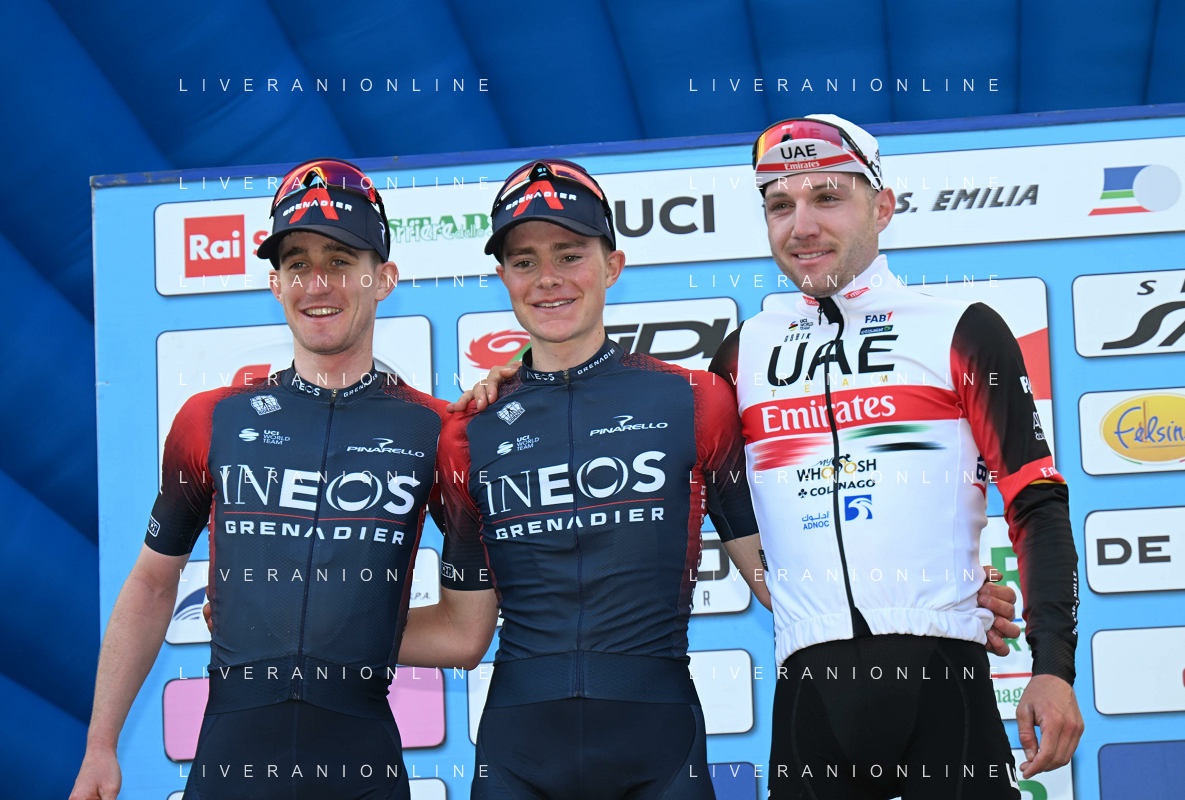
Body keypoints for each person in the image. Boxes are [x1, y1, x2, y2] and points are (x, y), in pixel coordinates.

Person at [414, 158, 1019, 800]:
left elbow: (777, 573)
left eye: (569, 254)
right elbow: (465, 630)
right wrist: (333, 631)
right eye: (525, 261)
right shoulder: (468, 432)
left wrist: (931, 597)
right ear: (503, 278)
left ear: (612, 266)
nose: (548, 278)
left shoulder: (695, 400)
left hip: (658, 752)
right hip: (518, 755)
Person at [707, 115, 1083, 798]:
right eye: (780, 206)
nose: (801, 226)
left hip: (944, 680)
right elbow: (723, 499)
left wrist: (1052, 667)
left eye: (827, 197)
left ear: (881, 207)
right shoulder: (741, 356)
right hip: (808, 693)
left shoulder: (959, 327)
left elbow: (1035, 502)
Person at [70, 159, 449, 800]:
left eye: (340, 260)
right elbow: (153, 584)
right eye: (298, 263)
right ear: (275, 283)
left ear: (383, 278)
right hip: (229, 765)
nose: (317, 283)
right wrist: (100, 745)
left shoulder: (437, 430)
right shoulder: (211, 419)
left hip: (362, 766)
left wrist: (330, 628)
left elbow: (470, 632)